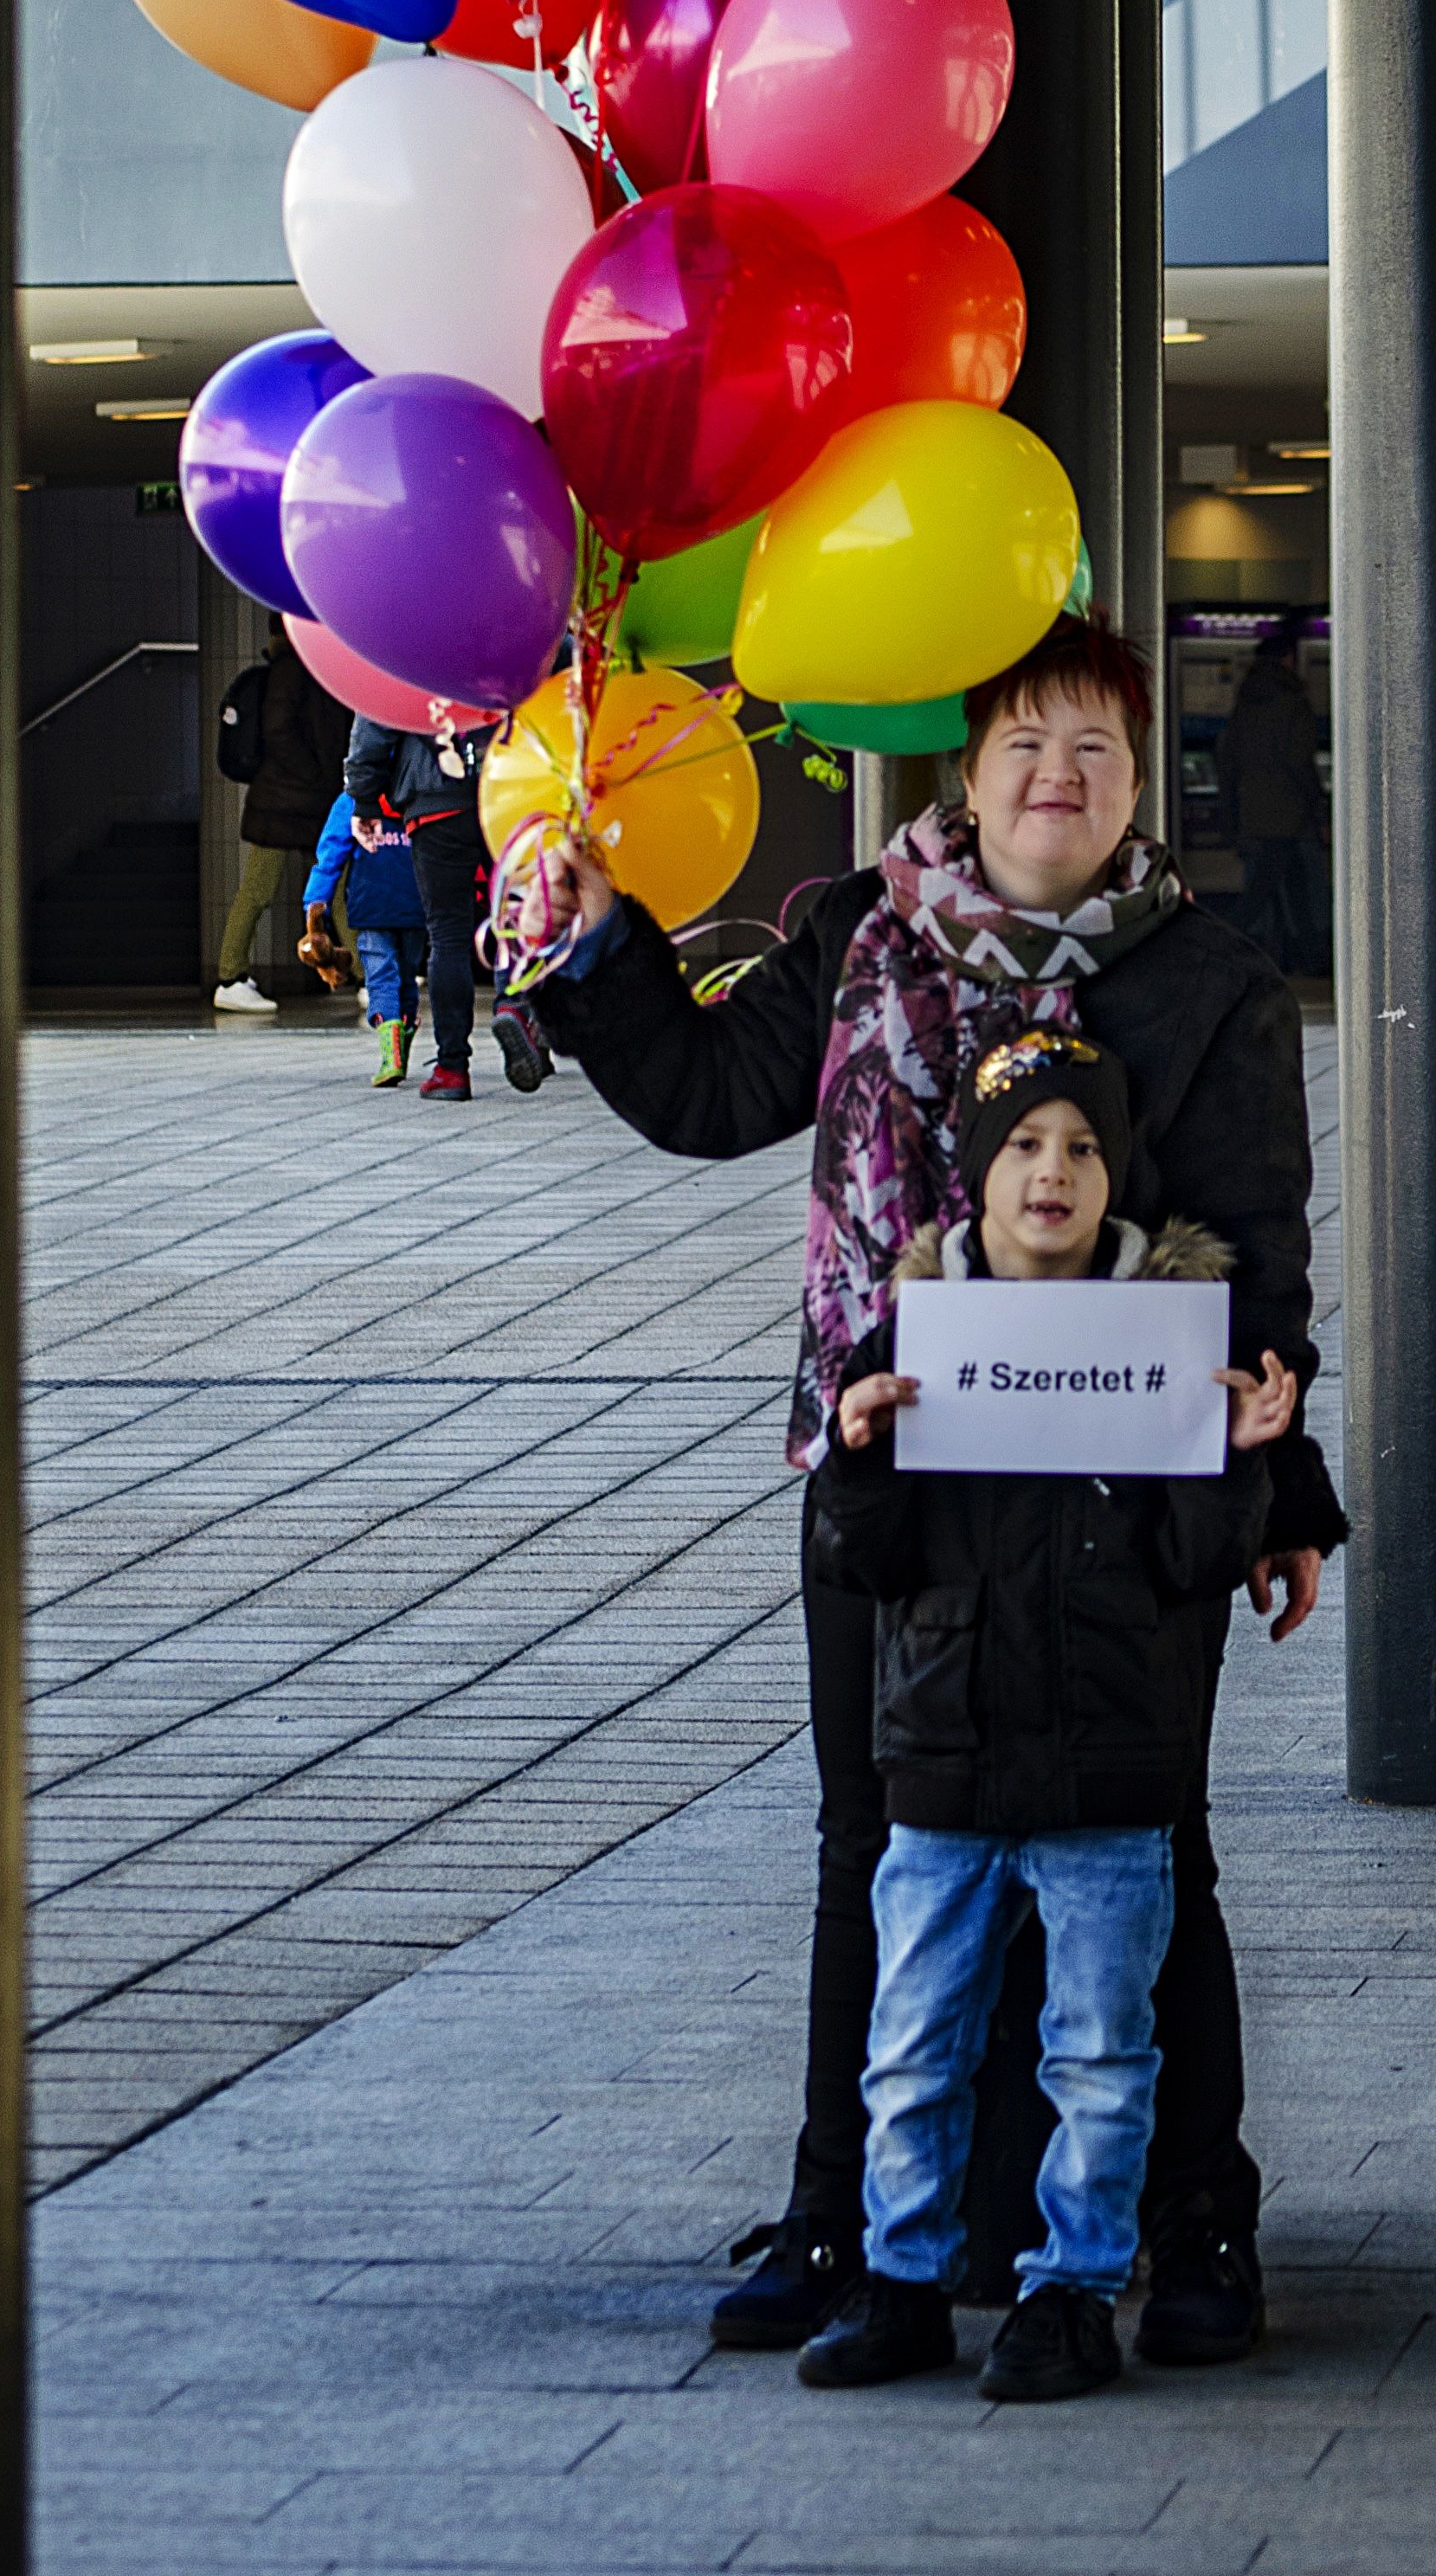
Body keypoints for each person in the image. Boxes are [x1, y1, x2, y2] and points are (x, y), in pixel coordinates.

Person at [518, 613, 1347, 2363]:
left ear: (1139, 786)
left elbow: (1254, 1250)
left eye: (1097, 751)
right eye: (1025, 743)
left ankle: (1193, 2227)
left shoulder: (1209, 981)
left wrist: (1281, 1491)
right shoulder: (856, 943)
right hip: (896, 1477)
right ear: (964, 769)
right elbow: (703, 1092)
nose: (1059, 776)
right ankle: (846, 2219)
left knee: (1141, 1847)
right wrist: (601, 954)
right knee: (873, 1842)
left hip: (1127, 1494)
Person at [795, 1031, 1299, 2402]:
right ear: (974, 1175)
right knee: (909, 2047)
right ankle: (899, 2279)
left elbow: (1193, 1564)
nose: (1052, 1172)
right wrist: (857, 1460)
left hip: (1106, 1772)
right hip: (944, 1771)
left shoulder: (1166, 1340)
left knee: (1097, 2051)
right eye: (1021, 1145)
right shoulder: (912, 1337)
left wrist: (1239, 1468)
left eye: (1080, 1146)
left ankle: (1070, 2294)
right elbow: (868, 1562)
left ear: (1115, 1172)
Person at [343, 712, 554, 1097]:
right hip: (509, 788)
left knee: (448, 935)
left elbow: (376, 716)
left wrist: (365, 797)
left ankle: (452, 1069)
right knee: (515, 914)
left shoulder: (407, 648)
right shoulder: (509, 646)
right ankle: (514, 1008)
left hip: (435, 796)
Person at [213, 621, 351, 1014]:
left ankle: (232, 976)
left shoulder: (302, 667)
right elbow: (281, 731)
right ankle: (230, 976)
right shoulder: (296, 669)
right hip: (291, 800)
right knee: (285, 888)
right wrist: (315, 774)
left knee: (325, 887)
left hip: (296, 800)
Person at [1215, 622, 1330, 976]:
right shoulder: (1293, 703)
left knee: (1286, 888)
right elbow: (1300, 761)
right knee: (1267, 892)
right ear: (1287, 659)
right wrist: (1319, 806)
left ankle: (1304, 959)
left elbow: (1227, 760)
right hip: (1289, 816)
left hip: (1255, 813)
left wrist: (1234, 813)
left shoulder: (1245, 703)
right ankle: (1221, 948)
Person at [301, 787, 428, 1087]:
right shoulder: (420, 790)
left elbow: (330, 855)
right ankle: (401, 1054)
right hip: (416, 903)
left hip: (372, 904)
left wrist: (316, 904)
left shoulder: (354, 798)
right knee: (407, 977)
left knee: (381, 977)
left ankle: (390, 1058)